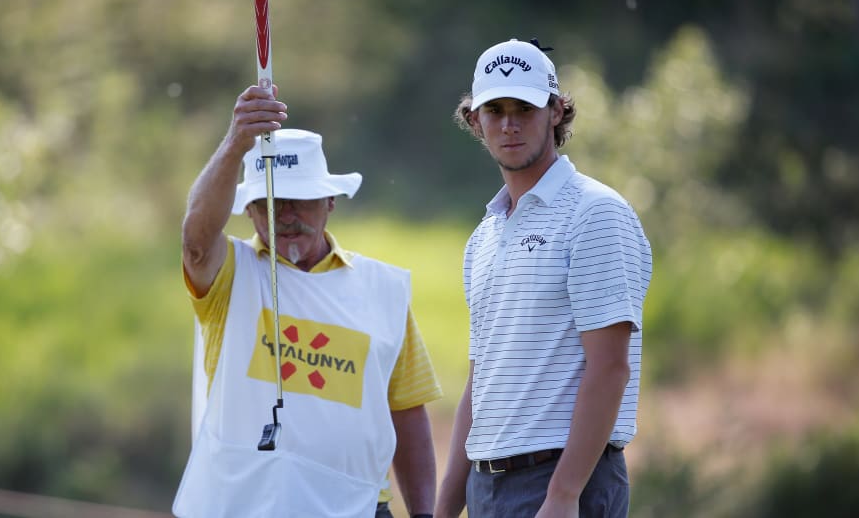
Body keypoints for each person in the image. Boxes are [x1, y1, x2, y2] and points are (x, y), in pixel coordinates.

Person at [172, 84, 441, 518]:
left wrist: (425, 514)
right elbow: (196, 243)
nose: (287, 215)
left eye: (302, 201)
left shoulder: (382, 288)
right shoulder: (231, 274)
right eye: (269, 204)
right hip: (251, 507)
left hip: (361, 507)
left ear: (330, 201)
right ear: (250, 211)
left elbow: (406, 412)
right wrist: (237, 140)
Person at [435, 39, 653, 518]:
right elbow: (482, 380)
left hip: (564, 483)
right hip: (487, 485)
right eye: (495, 110)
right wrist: (446, 503)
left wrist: (563, 495)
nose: (509, 124)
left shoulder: (595, 213)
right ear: (475, 120)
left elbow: (610, 366)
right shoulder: (485, 236)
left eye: (525, 108)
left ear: (556, 111)